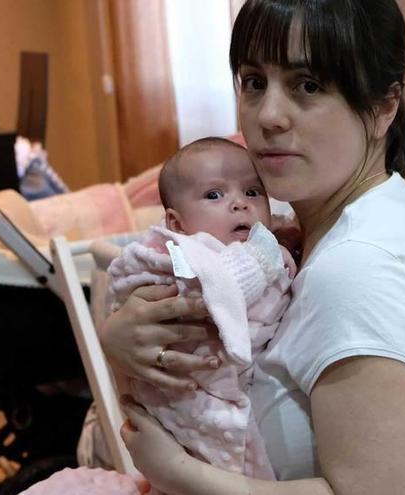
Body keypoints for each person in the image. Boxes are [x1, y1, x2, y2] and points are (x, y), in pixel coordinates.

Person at [101, 1, 405, 494]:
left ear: (384, 107)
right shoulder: (310, 231)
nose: (268, 116)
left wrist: (177, 473)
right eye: (254, 82)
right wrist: (122, 341)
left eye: (308, 85)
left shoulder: (357, 270)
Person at [95, 136, 296, 483]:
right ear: (176, 223)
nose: (240, 204)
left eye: (252, 192)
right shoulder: (180, 255)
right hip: (191, 394)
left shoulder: (277, 245)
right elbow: (144, 284)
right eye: (214, 195)